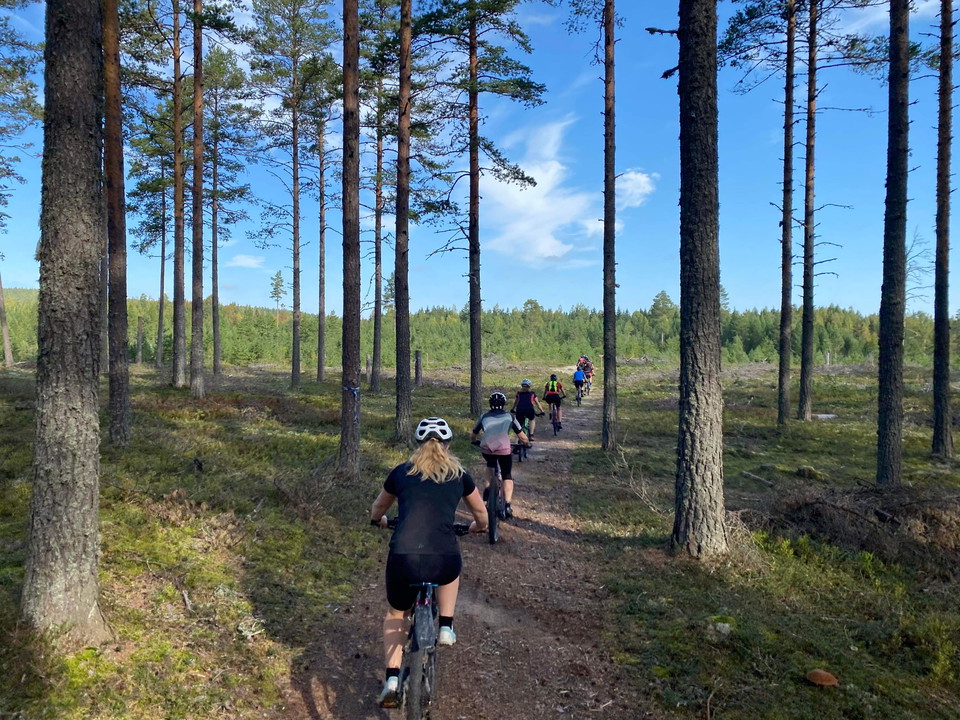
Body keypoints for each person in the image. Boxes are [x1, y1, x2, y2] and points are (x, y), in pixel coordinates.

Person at [369, 417, 488, 708]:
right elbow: (482, 514)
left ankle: (393, 680)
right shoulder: (460, 474)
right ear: (447, 445)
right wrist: (477, 528)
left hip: (404, 557)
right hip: (443, 557)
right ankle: (446, 626)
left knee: (397, 613)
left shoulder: (400, 473)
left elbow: (377, 509)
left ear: (418, 444)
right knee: (450, 570)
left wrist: (380, 521)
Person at [471, 391, 529, 519]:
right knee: (506, 474)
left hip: (487, 448)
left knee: (490, 465)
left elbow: (473, 435)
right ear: (503, 404)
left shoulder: (484, 417)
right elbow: (522, 436)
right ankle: (507, 505)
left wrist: (475, 441)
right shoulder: (509, 417)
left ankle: (487, 494)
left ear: (490, 404)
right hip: (504, 449)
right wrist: (526, 444)